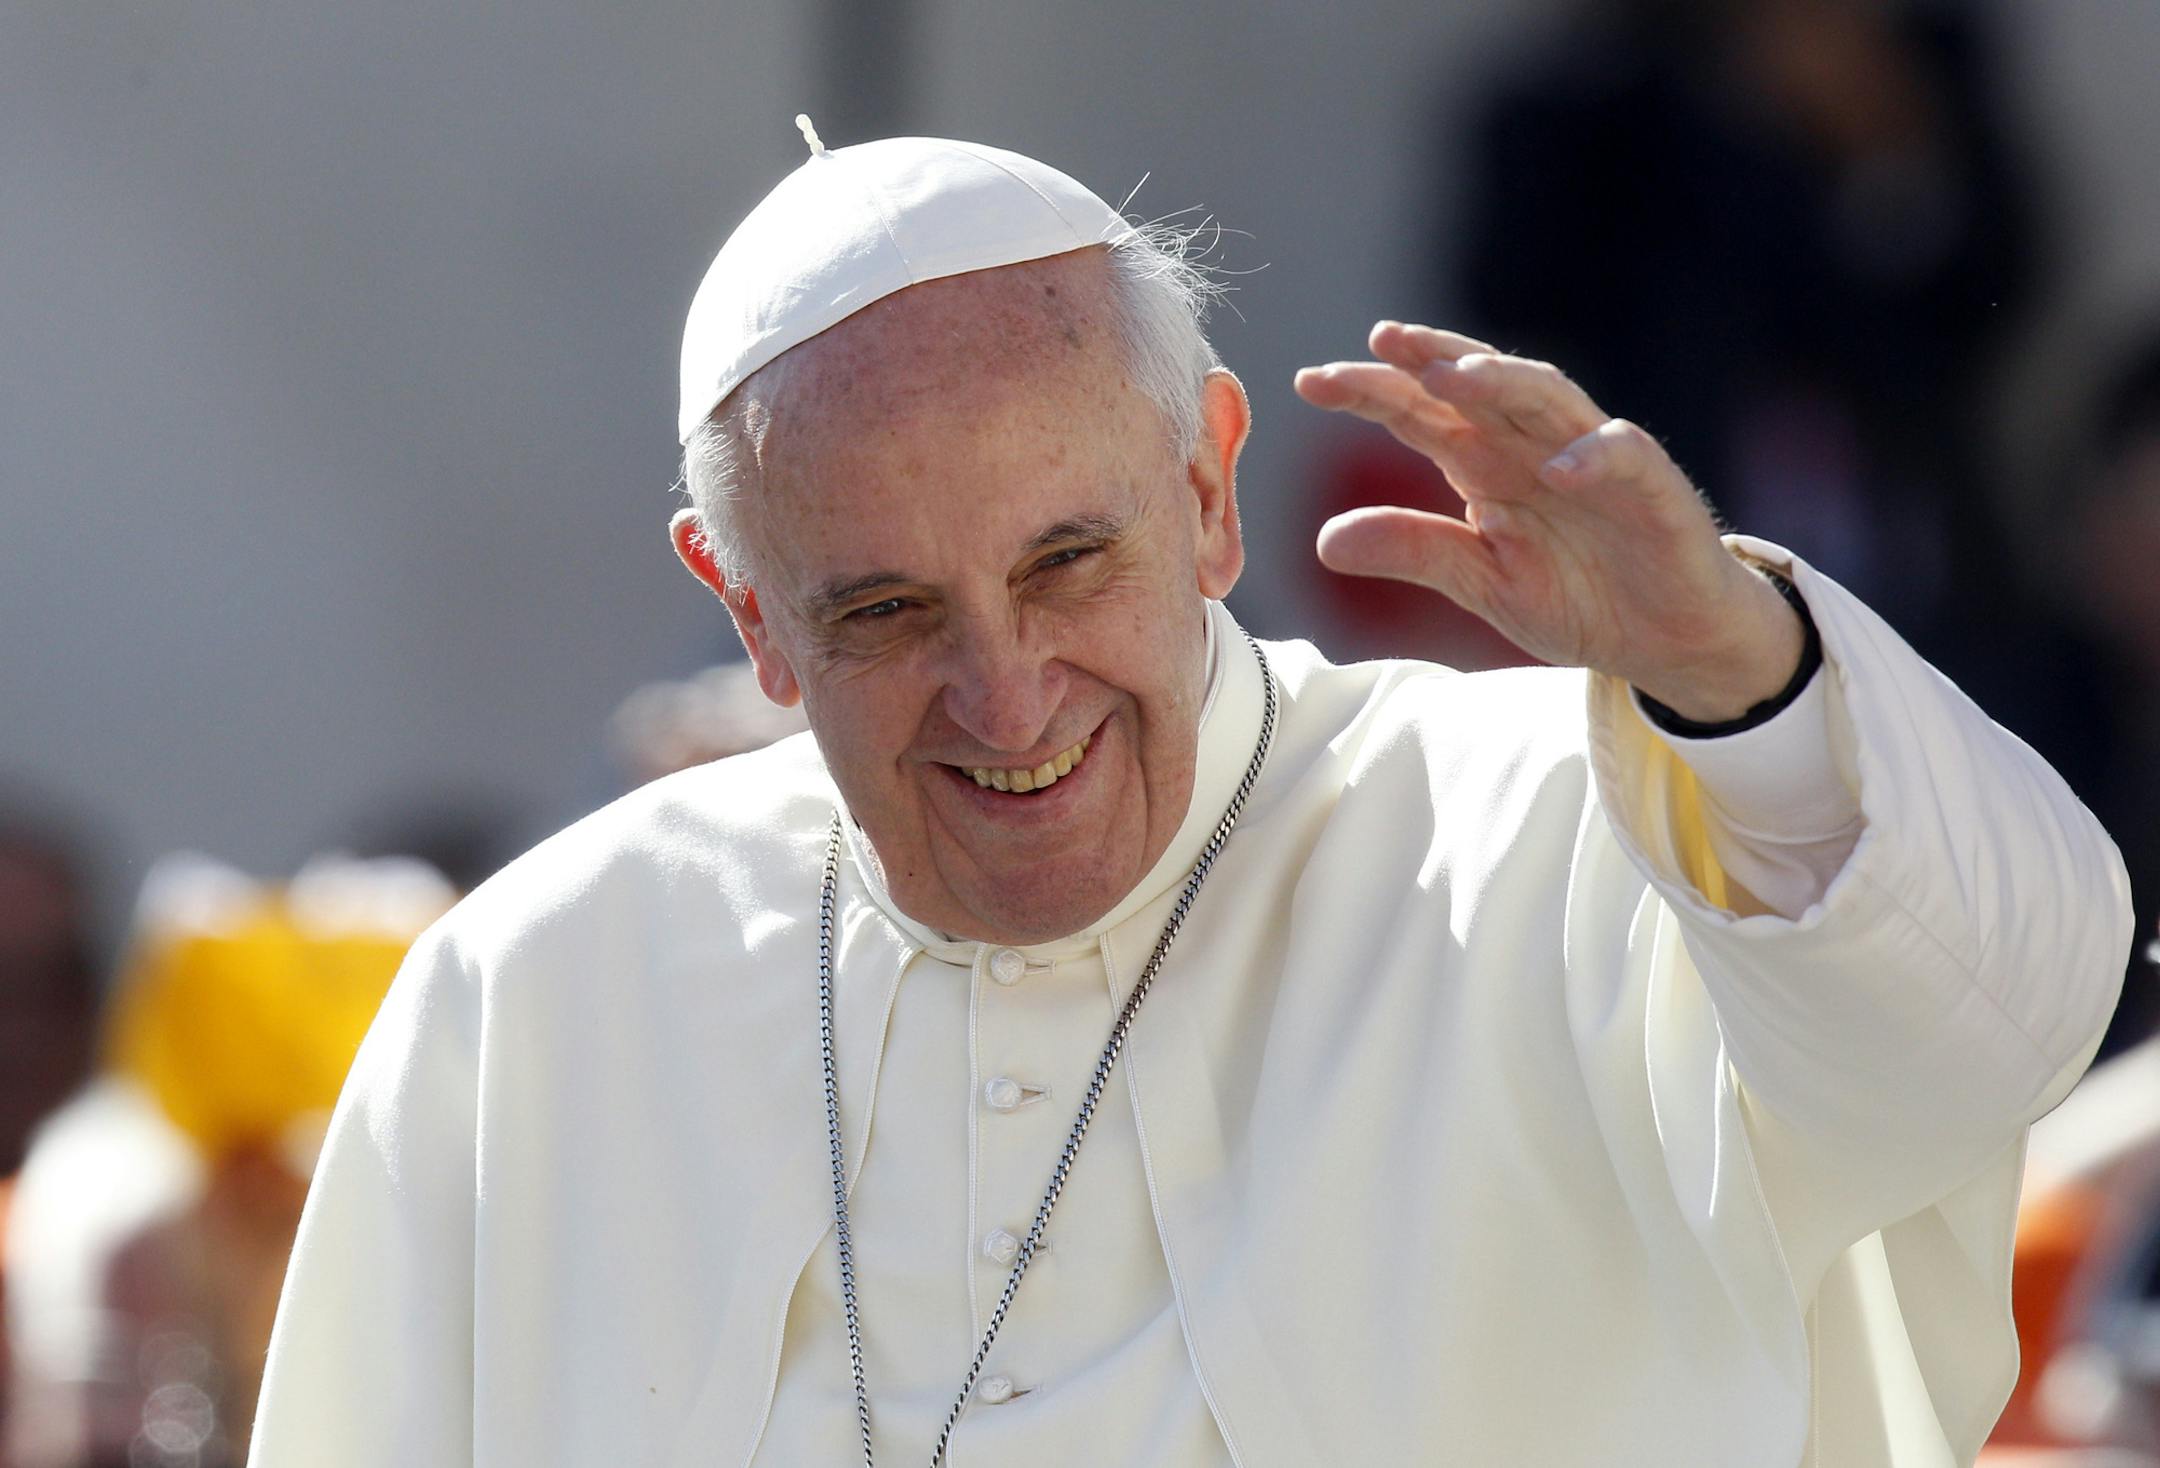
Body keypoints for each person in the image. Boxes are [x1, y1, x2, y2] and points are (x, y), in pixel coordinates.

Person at [248, 129, 2132, 1467]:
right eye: (889, 612)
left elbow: (1996, 1021)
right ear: (747, 613)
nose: (1007, 697)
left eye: (1070, 564)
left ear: (1213, 490)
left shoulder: (1574, 834)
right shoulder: (539, 997)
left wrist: (1736, 673)